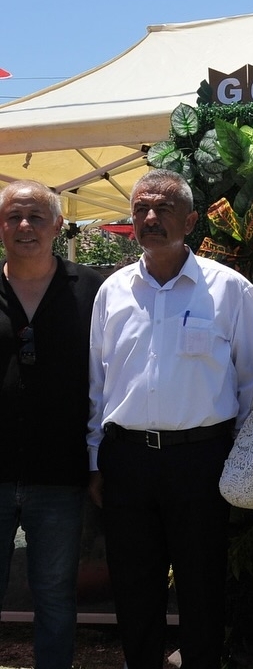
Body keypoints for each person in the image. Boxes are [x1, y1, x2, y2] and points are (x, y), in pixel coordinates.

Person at [87, 168, 253, 669]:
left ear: (190, 220)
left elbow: (251, 382)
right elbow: (98, 382)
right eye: (141, 207)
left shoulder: (230, 290)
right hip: (127, 461)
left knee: (202, 587)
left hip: (201, 461)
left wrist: (239, 461)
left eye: (163, 208)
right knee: (133, 586)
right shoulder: (112, 291)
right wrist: (96, 459)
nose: (150, 217)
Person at [0, 180, 103, 669]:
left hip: (61, 475)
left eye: (36, 216)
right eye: (13, 217)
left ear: (58, 225)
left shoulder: (93, 291)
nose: (25, 226)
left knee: (56, 600)